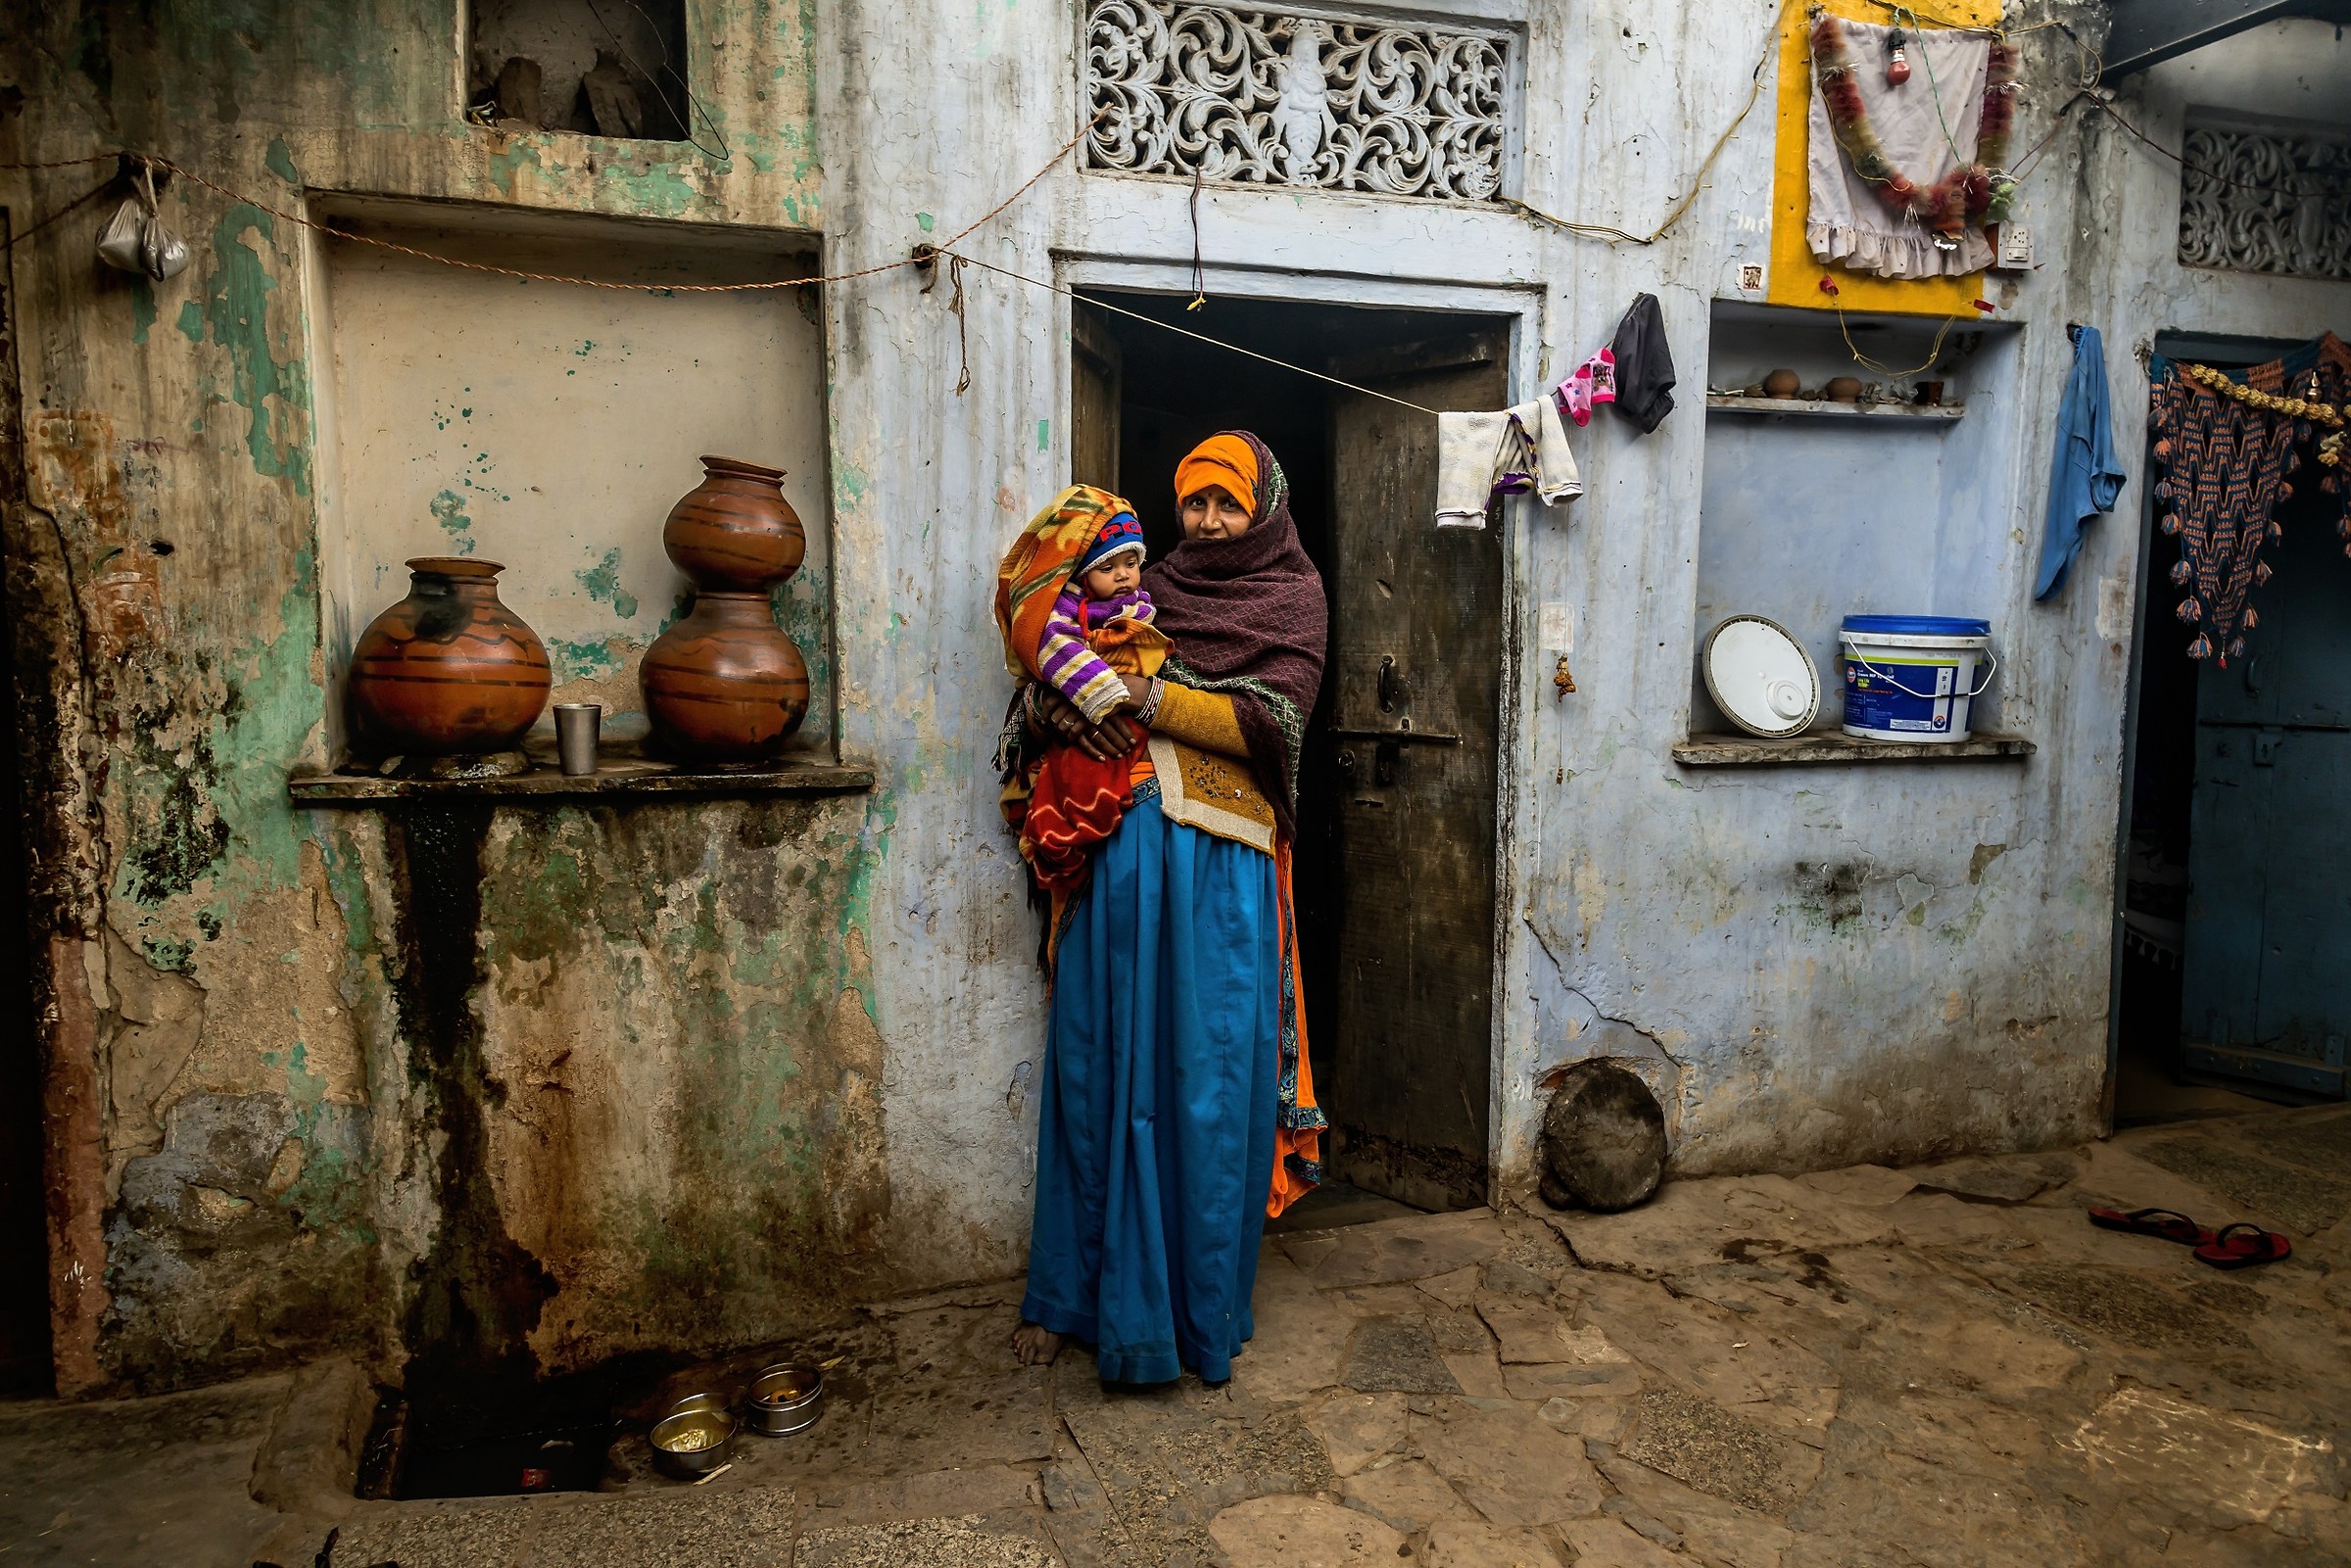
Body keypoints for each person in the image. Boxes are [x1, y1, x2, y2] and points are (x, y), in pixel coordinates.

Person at [991, 432, 1328, 1384]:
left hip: (1224, 881)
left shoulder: (1293, 598)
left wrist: (1144, 694)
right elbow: (1054, 669)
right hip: (1121, 866)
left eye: (1226, 503)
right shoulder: (1148, 585)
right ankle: (1071, 1296)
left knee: (1206, 1088)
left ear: (1262, 506)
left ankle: (1194, 1311)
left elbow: (1269, 722)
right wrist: (1060, 703)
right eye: (1196, 504)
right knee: (1096, 1072)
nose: (1210, 522)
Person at [1009, 510, 1170, 898]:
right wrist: (1085, 697)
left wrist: (1143, 692)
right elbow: (1052, 650)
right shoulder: (1066, 610)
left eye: (1131, 564)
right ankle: (1063, 847)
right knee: (1074, 786)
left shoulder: (1150, 598)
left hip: (1166, 819)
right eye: (1107, 567)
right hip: (1091, 731)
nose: (1122, 576)